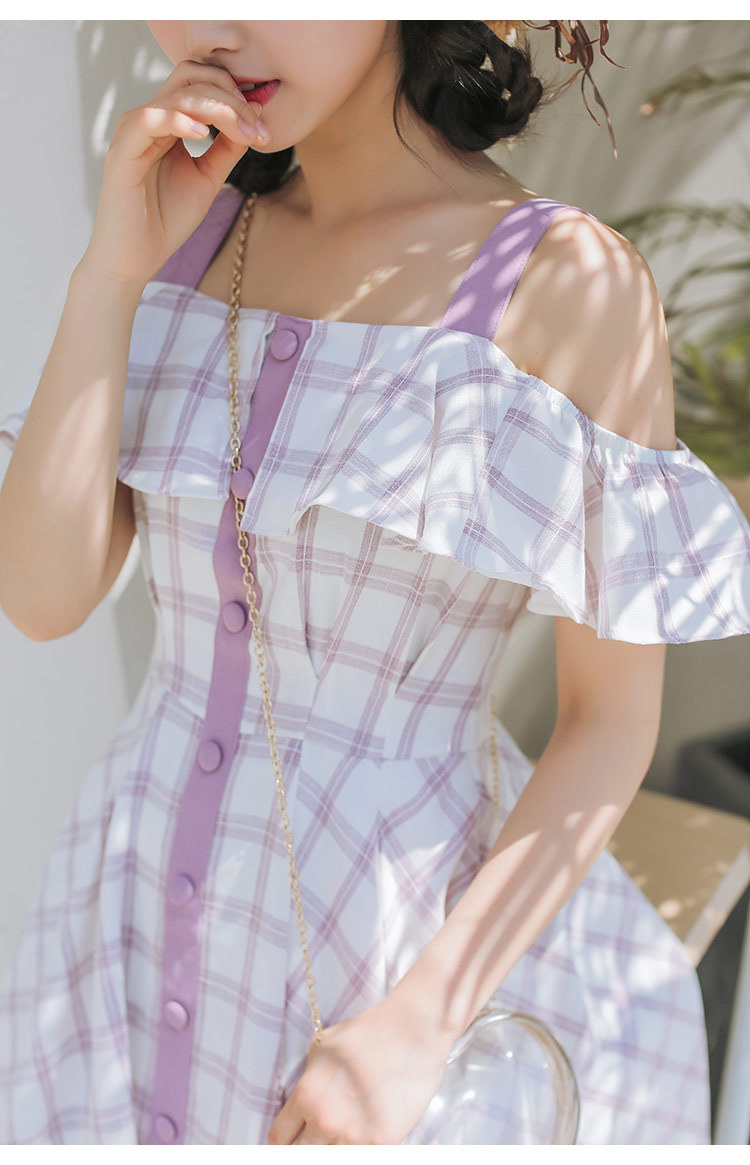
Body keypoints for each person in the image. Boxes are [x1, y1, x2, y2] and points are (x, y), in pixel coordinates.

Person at [0, 19, 748, 1147]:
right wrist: (110, 275)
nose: (215, 26)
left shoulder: (563, 282)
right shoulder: (184, 234)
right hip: (127, 909)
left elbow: (608, 722)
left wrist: (419, 1024)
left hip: (396, 950)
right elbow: (42, 597)